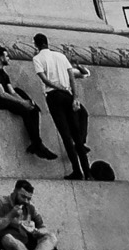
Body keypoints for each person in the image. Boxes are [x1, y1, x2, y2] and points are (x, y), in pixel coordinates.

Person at [0, 45, 59, 159]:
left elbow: (12, 92)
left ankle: (36, 143)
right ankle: (38, 145)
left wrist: (25, 102)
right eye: (7, 56)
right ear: (1, 58)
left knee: (34, 110)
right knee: (25, 111)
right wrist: (22, 103)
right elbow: (2, 94)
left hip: (5, 99)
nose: (9, 58)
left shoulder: (4, 74)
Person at [31, 32, 92, 179]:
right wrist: (75, 97)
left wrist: (58, 87)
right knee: (77, 136)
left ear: (36, 44)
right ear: (47, 42)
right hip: (68, 95)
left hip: (54, 96)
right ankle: (88, 172)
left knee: (65, 135)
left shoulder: (37, 58)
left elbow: (45, 80)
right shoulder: (61, 56)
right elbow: (72, 78)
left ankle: (77, 171)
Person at [0, 178, 60, 250]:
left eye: (29, 198)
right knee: (7, 238)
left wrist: (37, 232)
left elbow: (43, 228)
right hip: (11, 244)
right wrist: (11, 215)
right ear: (15, 192)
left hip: (28, 241)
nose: (26, 201)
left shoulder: (30, 207)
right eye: (23, 197)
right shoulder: (1, 202)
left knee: (52, 237)